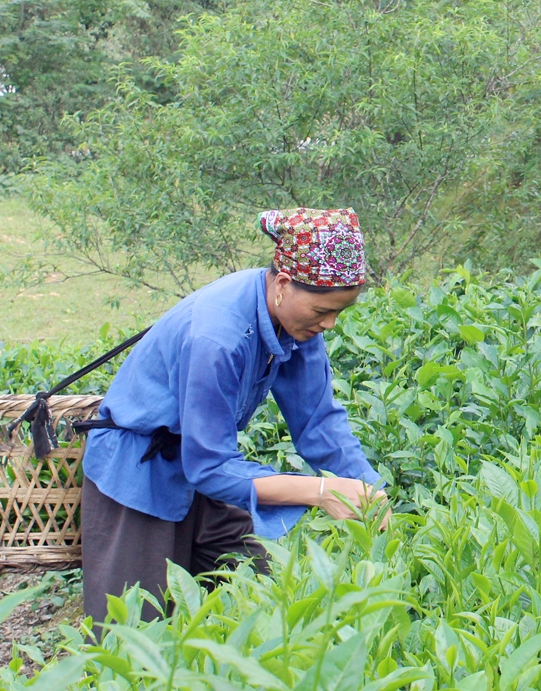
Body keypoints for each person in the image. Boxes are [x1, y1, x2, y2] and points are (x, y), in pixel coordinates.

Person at [80, 207, 386, 626]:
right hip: (141, 472)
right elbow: (209, 466)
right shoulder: (218, 337)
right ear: (282, 284)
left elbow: (317, 421)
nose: (329, 324)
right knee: (134, 629)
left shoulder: (297, 323)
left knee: (263, 595)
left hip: (203, 465)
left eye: (339, 312)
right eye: (321, 312)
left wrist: (370, 492)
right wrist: (320, 492)